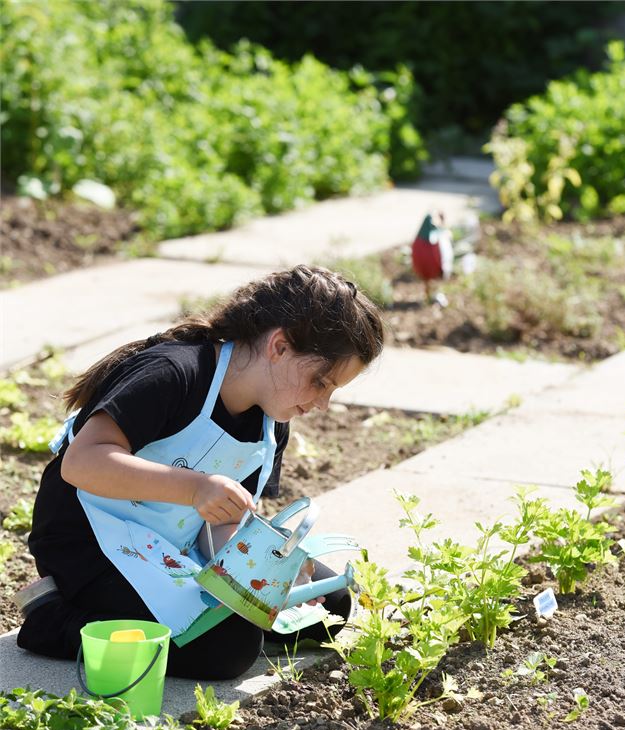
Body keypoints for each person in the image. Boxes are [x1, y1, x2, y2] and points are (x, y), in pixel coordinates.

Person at [16, 264, 384, 680]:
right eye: (321, 382)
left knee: (331, 605)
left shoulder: (269, 421)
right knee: (228, 648)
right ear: (279, 346)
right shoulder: (174, 374)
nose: (323, 404)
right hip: (89, 539)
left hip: (172, 543)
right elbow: (81, 463)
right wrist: (195, 488)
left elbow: (224, 524)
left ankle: (154, 615)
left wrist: (261, 573)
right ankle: (54, 620)